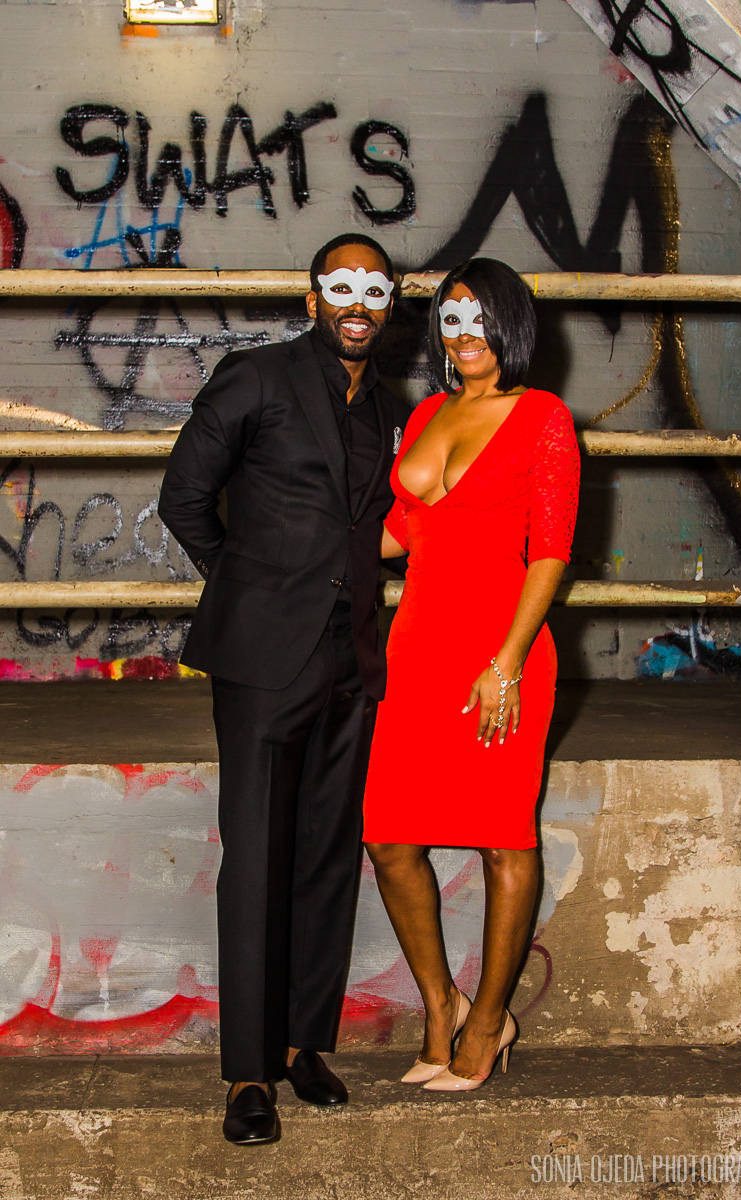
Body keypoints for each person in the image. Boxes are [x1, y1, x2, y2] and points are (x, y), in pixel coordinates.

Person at [158, 234, 409, 1144]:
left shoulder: (390, 402)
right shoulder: (257, 378)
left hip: (352, 659)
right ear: (313, 299)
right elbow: (184, 497)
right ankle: (247, 1074)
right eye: (341, 286)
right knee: (259, 860)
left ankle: (305, 1045)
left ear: (389, 304)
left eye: (374, 289)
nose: (357, 303)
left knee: (327, 857)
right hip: (264, 660)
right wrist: (247, 586)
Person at [363, 257, 580, 1092]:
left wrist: (507, 662)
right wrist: (286, 518)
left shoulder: (542, 416)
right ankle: (440, 1006)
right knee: (388, 838)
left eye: (480, 317)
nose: (465, 334)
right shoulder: (427, 413)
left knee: (502, 838)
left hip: (502, 650)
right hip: (416, 647)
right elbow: (399, 534)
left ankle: (489, 1021)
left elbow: (550, 552)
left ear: (510, 325)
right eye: (451, 319)